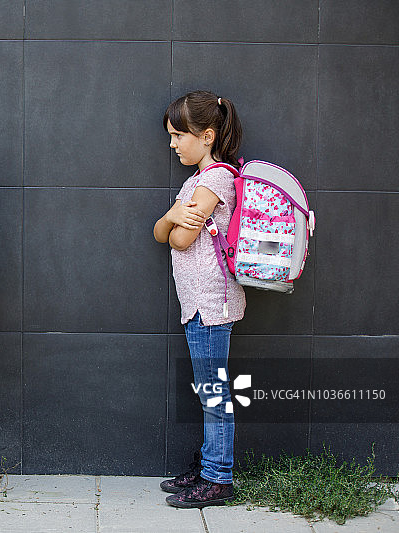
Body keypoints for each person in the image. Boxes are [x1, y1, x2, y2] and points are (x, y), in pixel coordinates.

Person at [153, 90, 246, 508]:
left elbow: (180, 238)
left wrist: (173, 221)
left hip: (212, 304)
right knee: (208, 388)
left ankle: (218, 477)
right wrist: (172, 219)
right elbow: (161, 232)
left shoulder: (216, 179)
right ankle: (210, 463)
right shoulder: (195, 181)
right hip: (197, 304)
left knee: (214, 391)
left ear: (207, 136)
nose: (172, 144)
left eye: (178, 136)